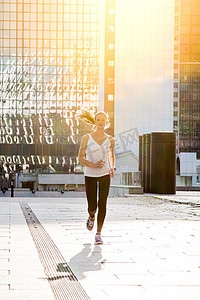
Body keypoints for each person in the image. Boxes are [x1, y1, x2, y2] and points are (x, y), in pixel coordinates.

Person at [77, 109, 115, 245]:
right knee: (92, 205)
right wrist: (93, 165)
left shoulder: (111, 140)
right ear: (95, 122)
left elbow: (111, 156)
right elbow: (80, 158)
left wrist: (112, 167)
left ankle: (98, 233)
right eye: (98, 119)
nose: (100, 122)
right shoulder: (87, 138)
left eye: (102, 120)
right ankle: (91, 216)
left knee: (102, 203)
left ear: (106, 122)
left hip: (105, 174)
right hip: (90, 175)